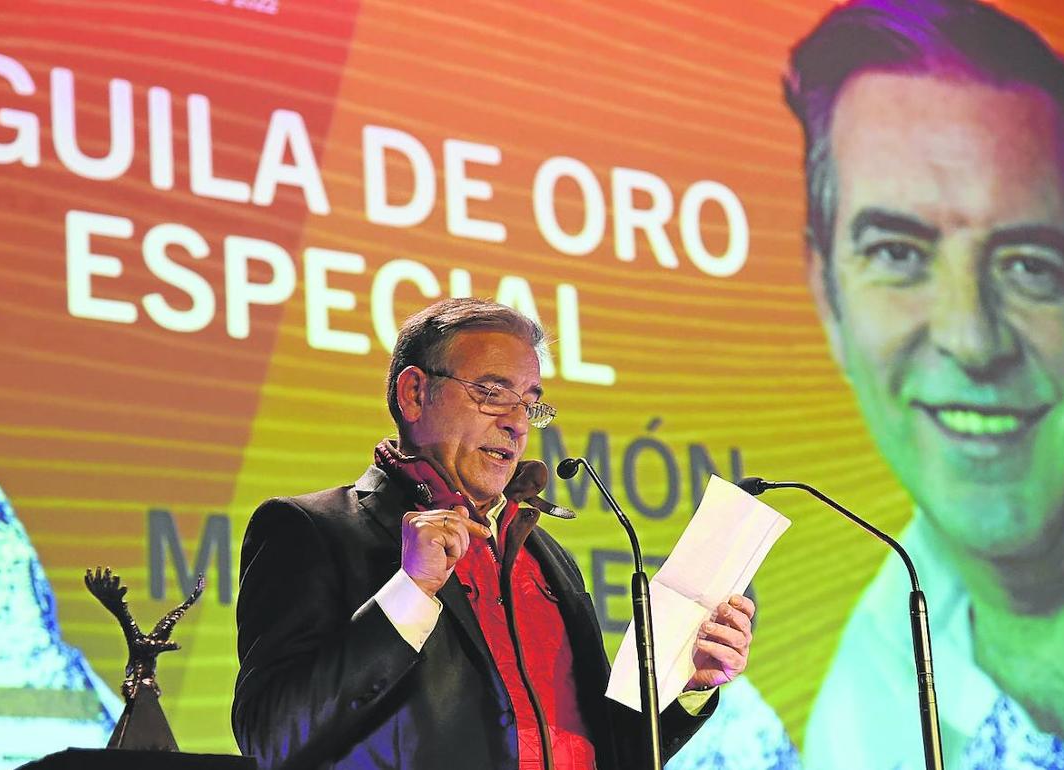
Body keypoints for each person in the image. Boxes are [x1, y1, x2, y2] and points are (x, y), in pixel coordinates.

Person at [781, 1, 1064, 768]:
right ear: (828, 297)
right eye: (897, 253)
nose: (970, 337)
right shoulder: (867, 681)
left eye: (1029, 264)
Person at [231, 297, 756, 769]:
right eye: (491, 392)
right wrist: (410, 592)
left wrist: (688, 686)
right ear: (414, 394)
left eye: (529, 402)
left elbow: (602, 750)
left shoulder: (546, 556)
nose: (517, 423)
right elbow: (269, 737)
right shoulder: (312, 530)